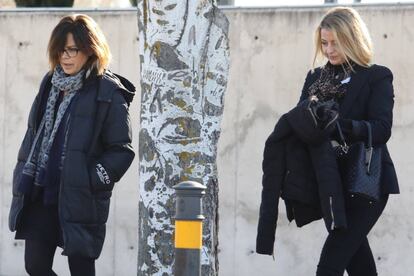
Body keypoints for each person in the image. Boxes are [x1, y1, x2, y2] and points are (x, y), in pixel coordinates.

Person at [256, 7, 399, 276]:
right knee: (359, 266)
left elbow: (382, 130)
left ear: (353, 39)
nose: (329, 49)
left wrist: (338, 127)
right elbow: (302, 125)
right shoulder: (314, 79)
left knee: (329, 267)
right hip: (330, 186)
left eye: (336, 42)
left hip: (365, 184)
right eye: (324, 42)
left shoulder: (377, 76)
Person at [8, 14, 135, 276]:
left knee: (81, 269)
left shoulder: (109, 92)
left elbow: (121, 151)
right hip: (42, 191)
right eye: (60, 50)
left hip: (80, 197)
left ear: (91, 50)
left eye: (73, 50)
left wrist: (91, 179)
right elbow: (34, 135)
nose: (65, 57)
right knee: (36, 266)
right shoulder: (50, 83)